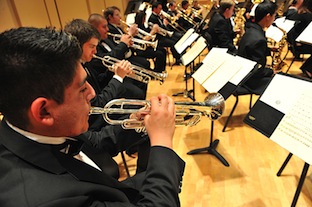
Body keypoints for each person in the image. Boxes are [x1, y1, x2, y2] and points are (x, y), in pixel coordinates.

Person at [0, 27, 185, 206]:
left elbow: (96, 141)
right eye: (82, 89)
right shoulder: (46, 199)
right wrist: (162, 141)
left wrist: (136, 120)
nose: (92, 93)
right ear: (44, 111)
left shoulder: (33, 128)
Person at [64, 19, 151, 177]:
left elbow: (98, 86)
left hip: (96, 115)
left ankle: (142, 179)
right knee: (111, 170)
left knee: (144, 126)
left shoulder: (84, 63)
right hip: (92, 120)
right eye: (91, 46)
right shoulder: (70, 73)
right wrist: (118, 77)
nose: (95, 51)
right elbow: (97, 104)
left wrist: (114, 72)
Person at [88, 13, 148, 99]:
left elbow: (117, 54)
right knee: (137, 93)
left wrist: (126, 45)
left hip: (116, 72)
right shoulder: (94, 47)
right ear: (94, 29)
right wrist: (123, 44)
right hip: (109, 80)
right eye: (104, 27)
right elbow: (107, 59)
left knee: (142, 79)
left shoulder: (106, 39)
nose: (107, 29)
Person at [237, 0, 277, 92]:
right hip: (250, 81)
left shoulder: (250, 30)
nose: (274, 19)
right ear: (268, 16)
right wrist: (271, 71)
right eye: (274, 16)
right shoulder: (259, 39)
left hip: (244, 73)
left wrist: (268, 48)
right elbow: (257, 71)